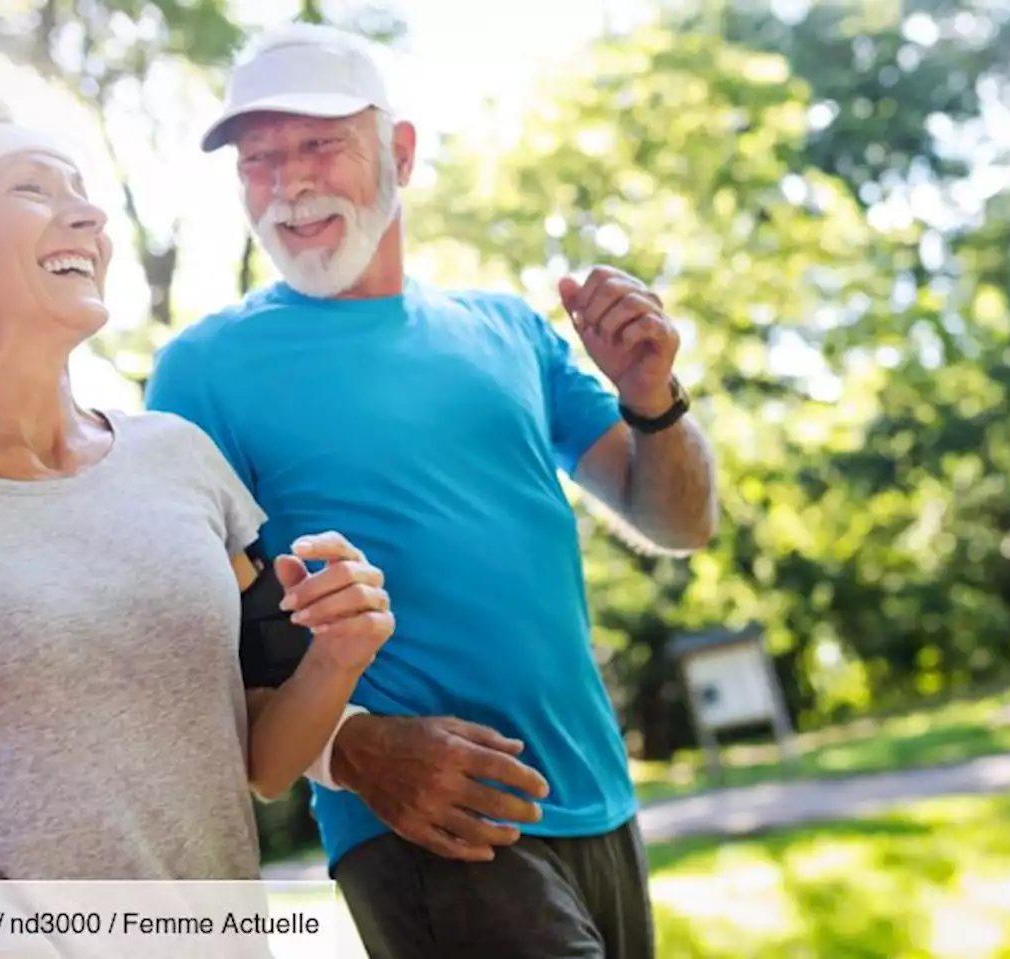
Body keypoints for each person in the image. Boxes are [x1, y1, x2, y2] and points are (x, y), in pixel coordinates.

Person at [146, 23, 720, 959]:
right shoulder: (203, 371)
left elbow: (680, 519)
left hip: (601, 800)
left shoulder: (504, 330)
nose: (287, 183)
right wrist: (359, 751)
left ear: (400, 154)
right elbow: (200, 645)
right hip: (430, 823)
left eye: (319, 146)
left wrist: (653, 401)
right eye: (259, 160)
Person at [0, 98, 396, 897]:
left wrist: (338, 653)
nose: (88, 216)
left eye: (83, 192)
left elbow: (265, 761)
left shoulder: (181, 458)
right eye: (31, 189)